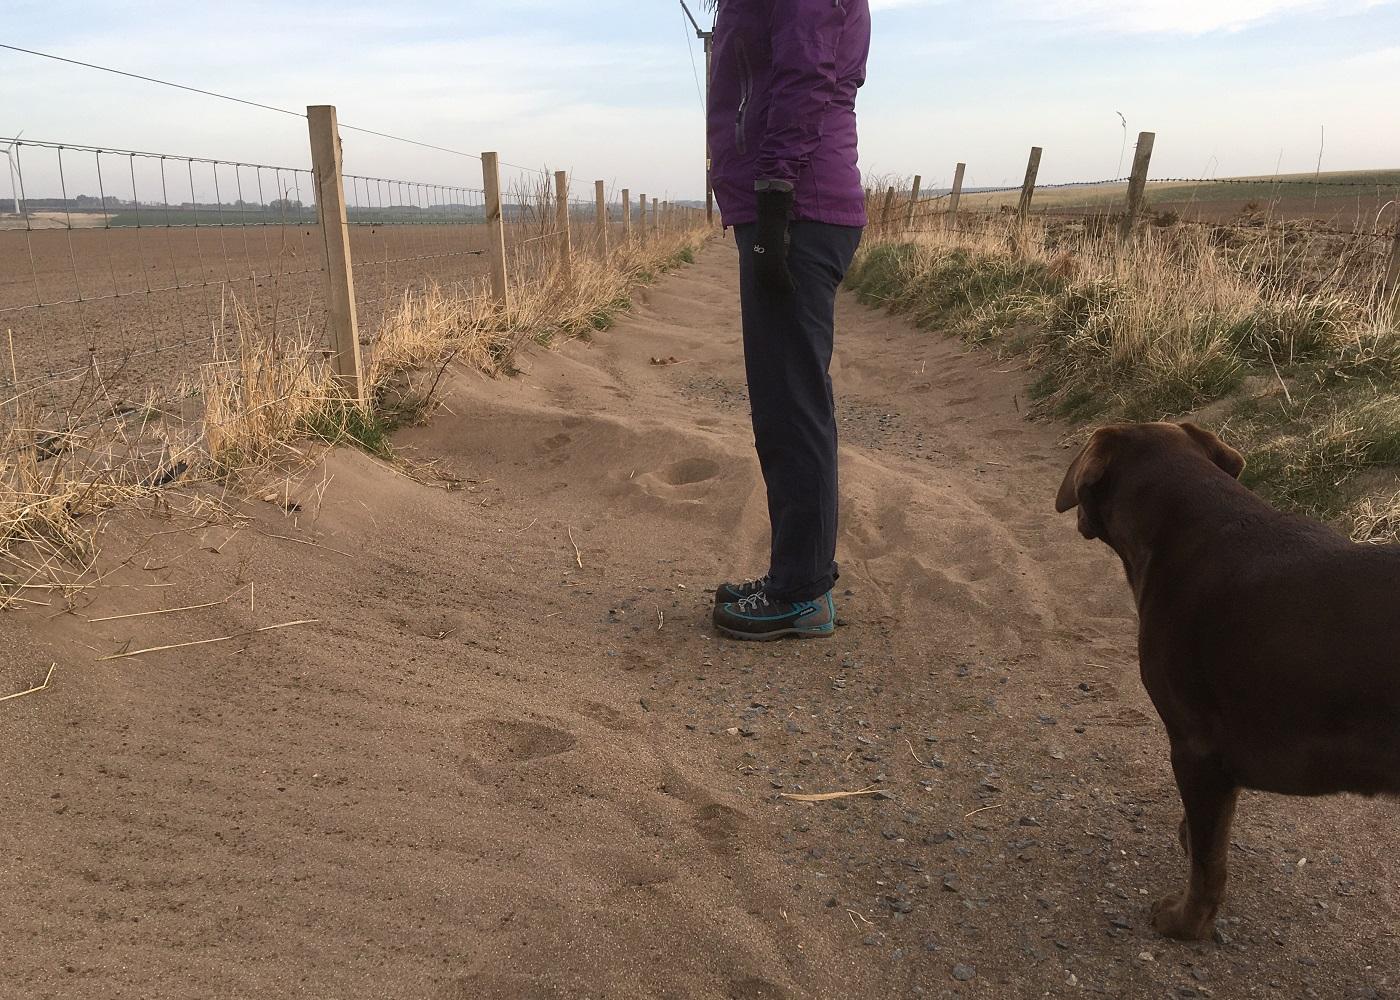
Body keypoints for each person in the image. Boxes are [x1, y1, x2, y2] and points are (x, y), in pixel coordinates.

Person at [706, 0, 872, 641]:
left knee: (791, 402)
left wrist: (775, 196)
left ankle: (801, 591)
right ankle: (794, 575)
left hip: (797, 206)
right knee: (784, 399)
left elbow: (807, 73)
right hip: (792, 203)